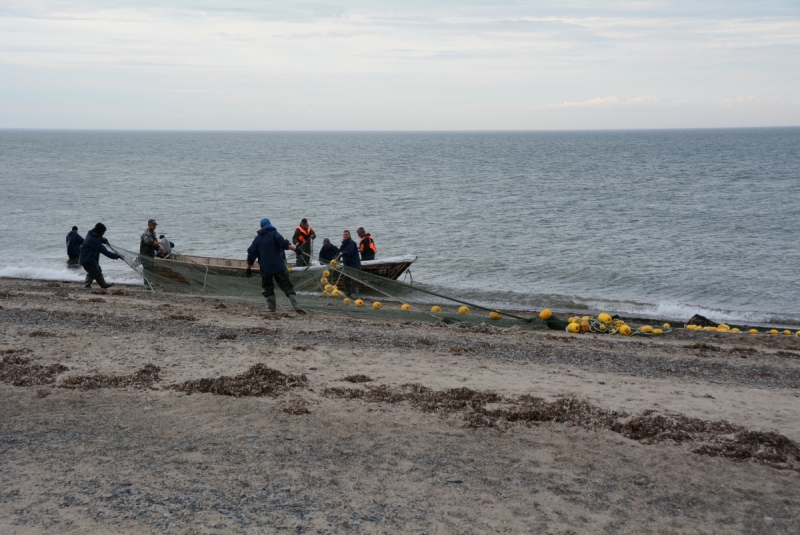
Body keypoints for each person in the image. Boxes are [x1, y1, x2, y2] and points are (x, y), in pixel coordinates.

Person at [247, 218, 305, 314]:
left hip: (266, 268)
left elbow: (251, 253)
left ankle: (271, 308)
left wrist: (249, 267)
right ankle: (296, 306)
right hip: (278, 266)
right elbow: (284, 243)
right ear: (270, 224)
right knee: (287, 286)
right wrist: (296, 250)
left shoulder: (258, 238)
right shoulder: (274, 233)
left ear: (261, 227)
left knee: (268, 288)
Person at [79, 223, 121, 289]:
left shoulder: (92, 233)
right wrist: (115, 256)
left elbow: (99, 237)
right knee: (94, 272)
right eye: (103, 232)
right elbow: (104, 251)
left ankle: (103, 285)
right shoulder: (93, 240)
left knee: (97, 270)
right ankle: (87, 286)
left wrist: (103, 240)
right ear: (99, 231)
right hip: (87, 259)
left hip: (89, 258)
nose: (104, 233)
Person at [337, 229, 360, 299]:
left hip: (353, 264)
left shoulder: (351, 243)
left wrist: (343, 253)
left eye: (346, 235)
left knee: (355, 280)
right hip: (347, 265)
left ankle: (356, 294)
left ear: (349, 235)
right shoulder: (343, 243)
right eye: (344, 235)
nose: (345, 236)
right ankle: (348, 293)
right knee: (346, 279)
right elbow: (339, 252)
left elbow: (350, 252)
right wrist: (335, 259)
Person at [140, 219, 162, 286]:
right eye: (154, 225)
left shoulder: (153, 233)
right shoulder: (146, 233)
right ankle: (146, 283)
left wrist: (159, 249)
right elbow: (149, 242)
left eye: (155, 225)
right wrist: (160, 242)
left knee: (152, 267)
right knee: (147, 268)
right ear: (149, 225)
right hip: (145, 253)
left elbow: (155, 242)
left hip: (151, 253)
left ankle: (152, 281)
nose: (155, 226)